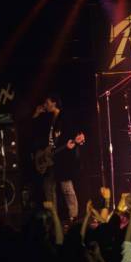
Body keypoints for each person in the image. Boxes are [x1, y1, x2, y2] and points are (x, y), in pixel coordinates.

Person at [32, 94, 84, 222]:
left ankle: (73, 215)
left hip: (62, 157)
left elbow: (73, 132)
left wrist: (76, 140)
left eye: (47, 102)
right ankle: (53, 216)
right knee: (49, 187)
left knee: (66, 186)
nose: (45, 104)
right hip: (50, 158)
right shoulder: (47, 118)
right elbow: (33, 132)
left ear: (54, 103)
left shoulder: (63, 116)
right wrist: (37, 114)